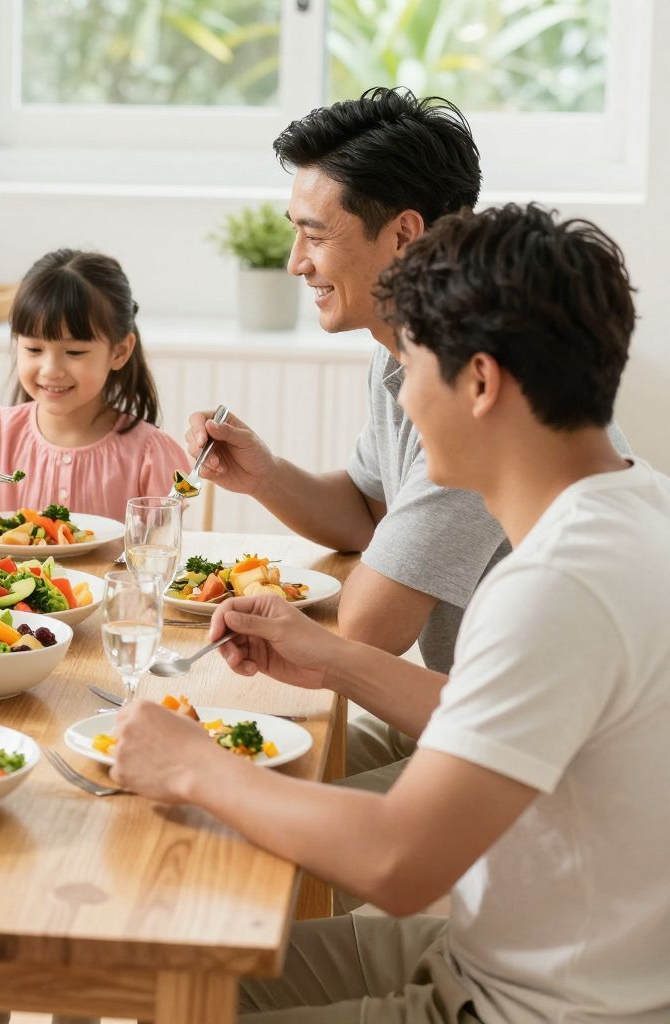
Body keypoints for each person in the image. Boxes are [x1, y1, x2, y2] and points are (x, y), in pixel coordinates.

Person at [113, 204, 669, 1022]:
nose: (402, 398)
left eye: (409, 367)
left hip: (528, 1006)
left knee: (146, 987)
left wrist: (194, 766)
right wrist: (328, 657)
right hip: (492, 959)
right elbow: (502, 721)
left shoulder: (555, 584)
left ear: (481, 381)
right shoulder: (634, 503)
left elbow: (400, 862)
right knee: (143, 975)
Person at [183, 87, 626, 782]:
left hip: (523, 757)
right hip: (474, 712)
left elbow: (368, 629)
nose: (297, 261)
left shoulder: (485, 412)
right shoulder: (416, 361)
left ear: (405, 235)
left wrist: (313, 650)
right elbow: (370, 511)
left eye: (315, 233)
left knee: (225, 821)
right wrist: (263, 473)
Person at [0, 248, 188, 524]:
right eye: (34, 349)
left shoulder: (149, 453)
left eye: (74, 352)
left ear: (119, 352)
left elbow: (160, 553)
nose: (51, 370)